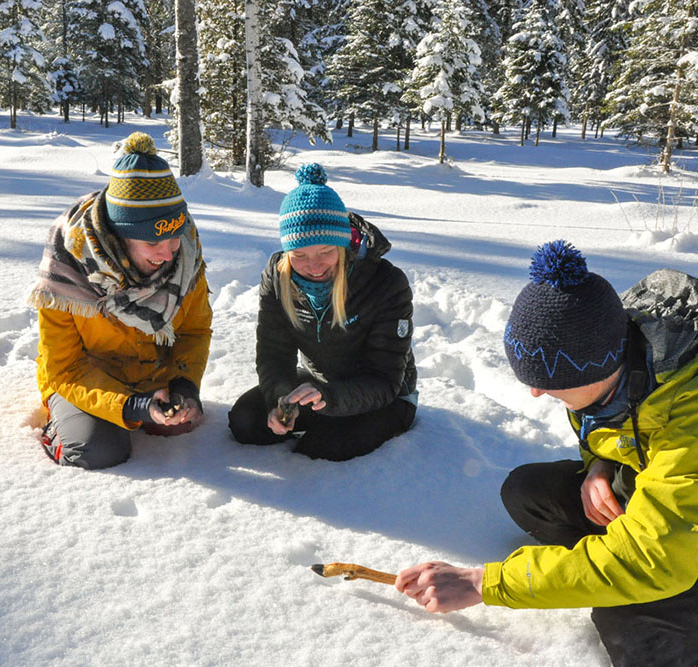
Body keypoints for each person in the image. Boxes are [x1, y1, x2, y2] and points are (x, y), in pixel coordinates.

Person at [395, 240, 698, 666]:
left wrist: (483, 582)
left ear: (601, 368)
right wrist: (599, 466)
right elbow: (606, 433)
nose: (535, 391)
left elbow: (654, 561)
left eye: (550, 381)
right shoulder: (610, 364)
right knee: (527, 492)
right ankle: (607, 564)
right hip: (663, 489)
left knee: (633, 628)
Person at [27, 132, 212, 470]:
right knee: (97, 449)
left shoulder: (186, 256)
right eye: (154, 242)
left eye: (174, 237)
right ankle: (59, 425)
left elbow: (194, 331)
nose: (169, 253)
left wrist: (184, 385)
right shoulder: (68, 267)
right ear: (119, 236)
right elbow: (64, 367)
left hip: (148, 375)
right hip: (81, 380)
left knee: (179, 424)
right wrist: (130, 405)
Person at [228, 163, 417, 461]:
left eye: (326, 252)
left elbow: (384, 380)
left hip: (385, 396)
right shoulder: (278, 276)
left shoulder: (386, 283)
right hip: (319, 384)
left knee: (324, 447)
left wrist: (329, 398)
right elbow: (274, 353)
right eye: (300, 255)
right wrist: (281, 400)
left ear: (343, 245)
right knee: (246, 422)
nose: (314, 266)